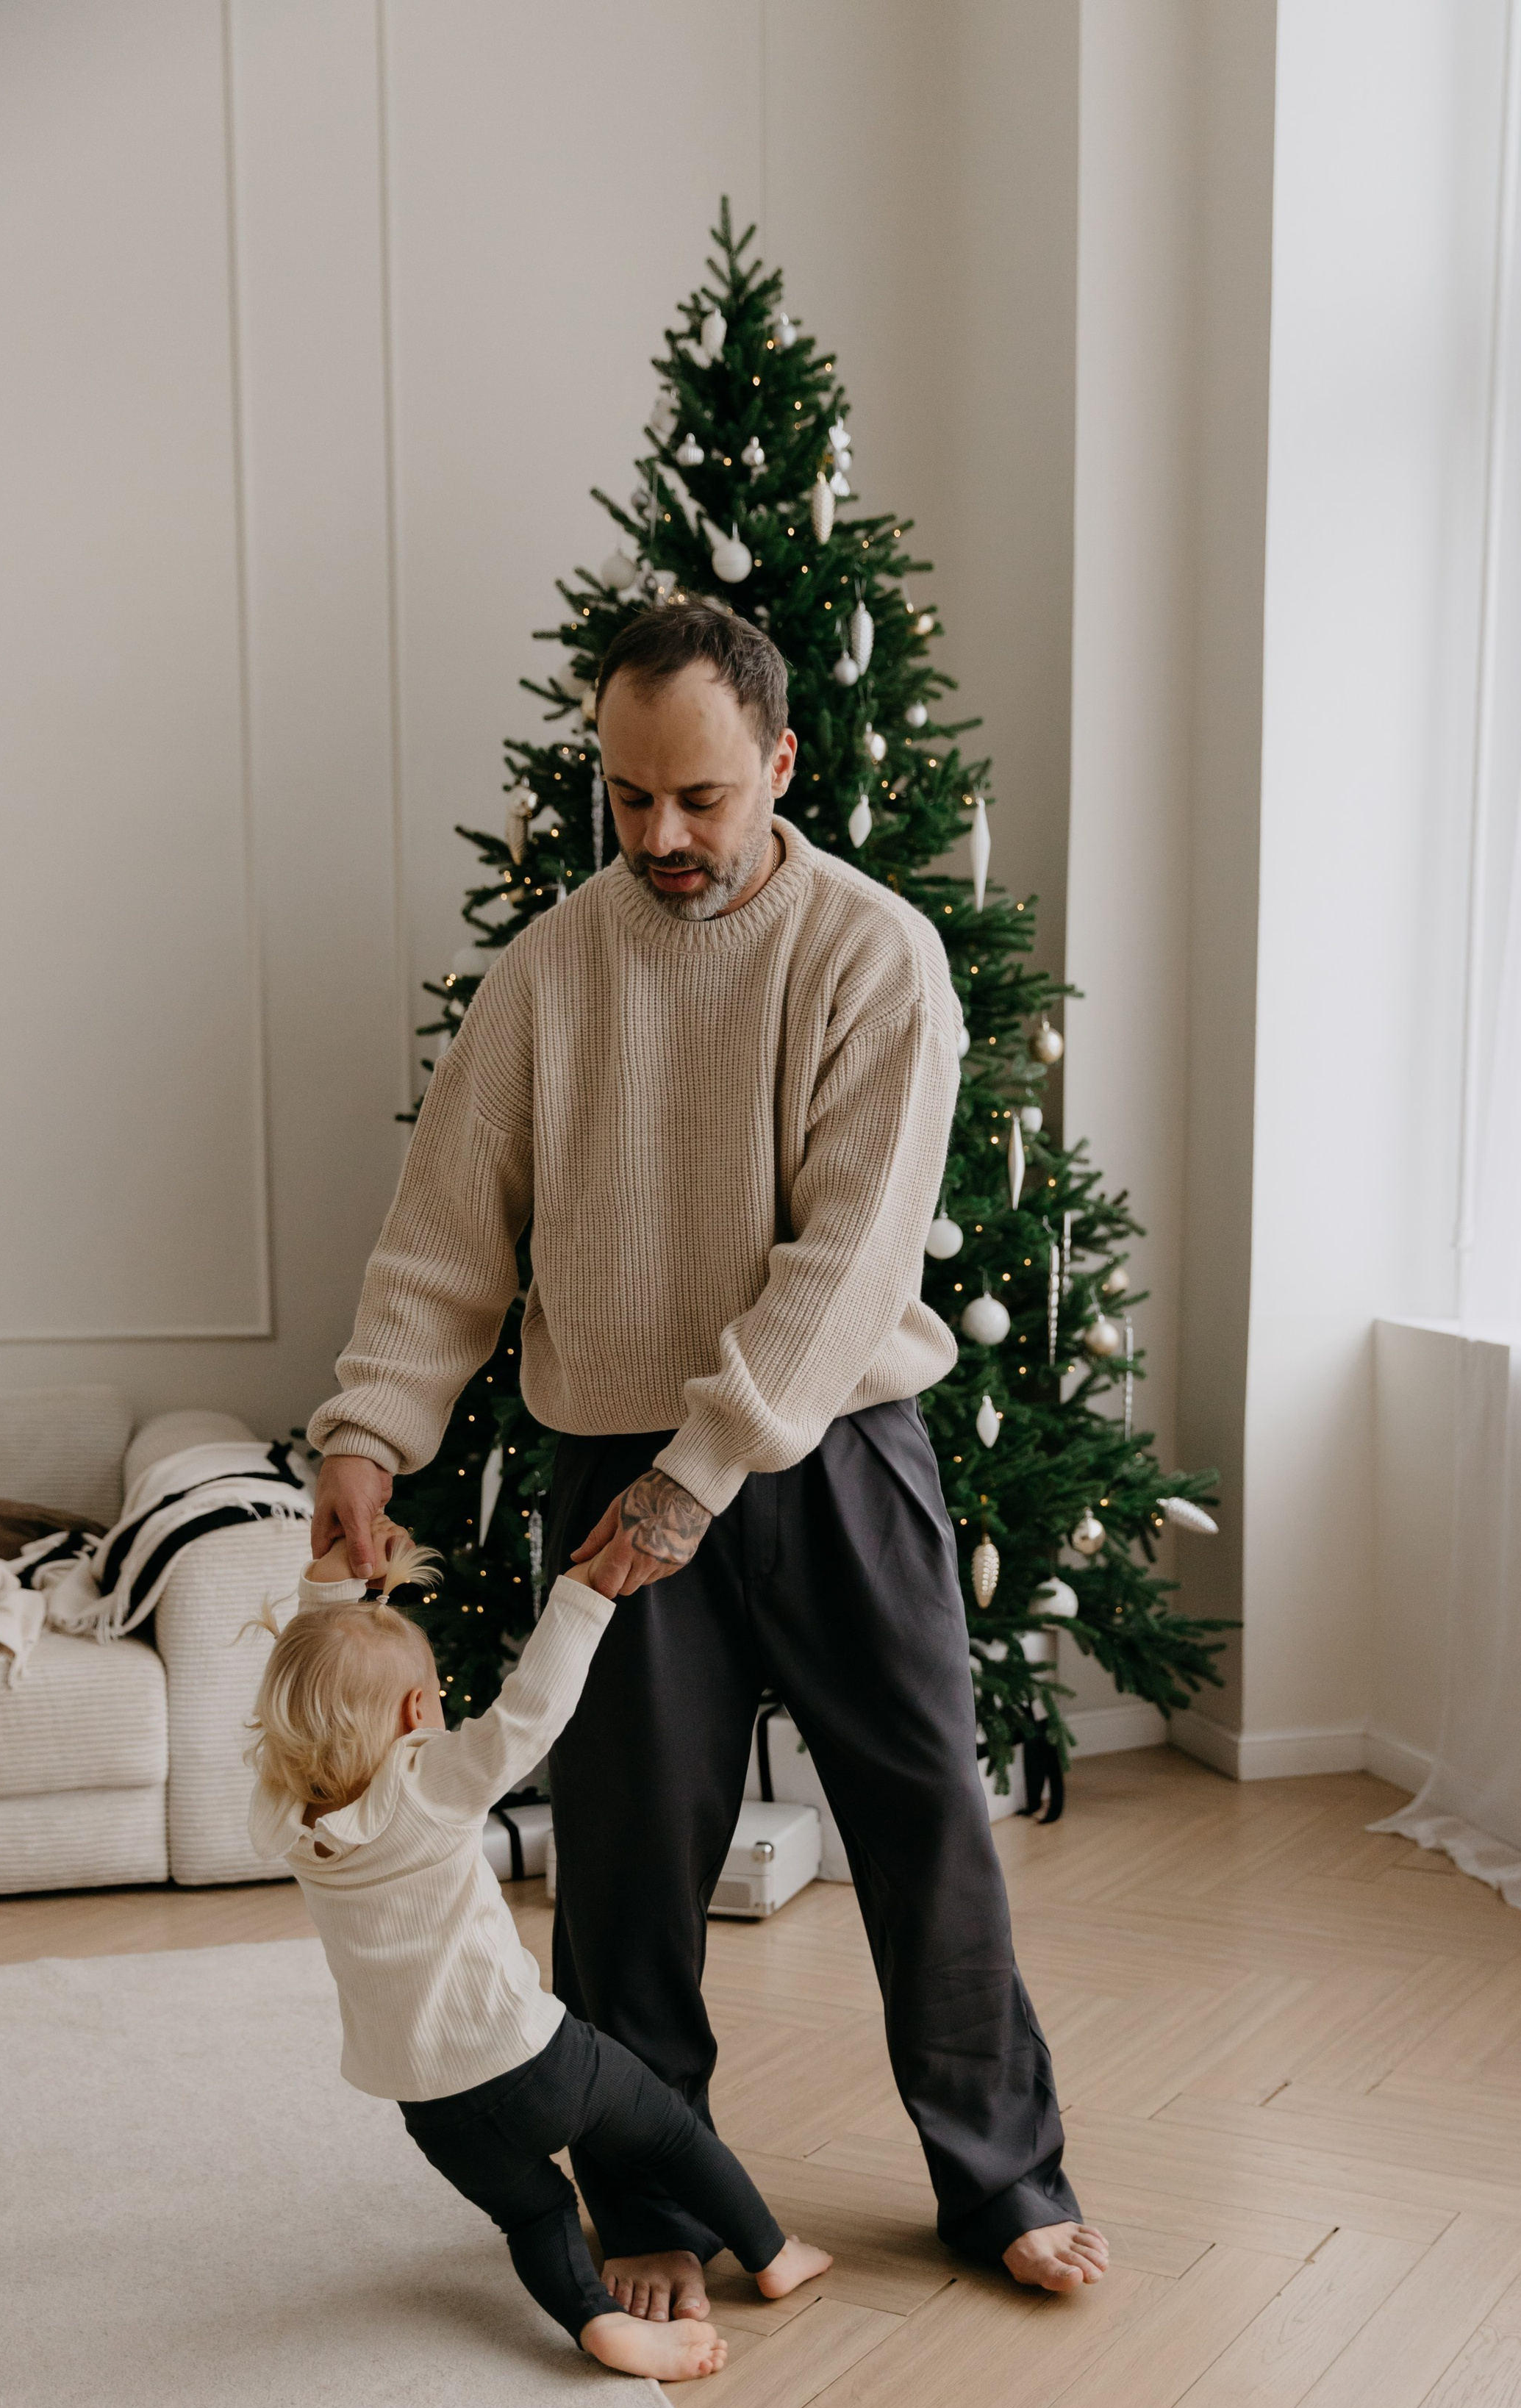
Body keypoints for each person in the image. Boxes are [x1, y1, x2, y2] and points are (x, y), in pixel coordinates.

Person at [308, 602, 1108, 2320]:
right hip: (607, 1450)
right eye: (628, 799)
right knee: (621, 1853)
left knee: (921, 1820)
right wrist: (371, 1428)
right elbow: (446, 1232)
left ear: (780, 769)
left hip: (827, 1451)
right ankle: (652, 2193)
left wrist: (707, 1463)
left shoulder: (873, 954)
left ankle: (999, 2176)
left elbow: (850, 1259)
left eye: (700, 799)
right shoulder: (550, 971)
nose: (660, 836)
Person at [246, 1516, 831, 2376]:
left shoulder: (280, 1819)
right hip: (532, 2058)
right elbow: (531, 1712)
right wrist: (584, 1595)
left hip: (426, 2100)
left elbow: (303, 1680)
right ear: (418, 1710)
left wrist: (329, 1597)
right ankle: (772, 2254)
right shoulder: (430, 1786)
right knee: (669, 2131)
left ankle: (596, 2325)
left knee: (533, 2216)